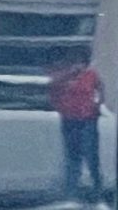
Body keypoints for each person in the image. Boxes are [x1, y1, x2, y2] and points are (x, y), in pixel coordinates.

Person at [49, 52, 105, 206]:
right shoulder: (63, 77)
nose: (78, 66)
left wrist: (96, 106)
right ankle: (72, 194)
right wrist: (61, 107)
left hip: (87, 120)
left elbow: (100, 91)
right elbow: (53, 93)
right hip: (69, 120)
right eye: (75, 62)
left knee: (91, 157)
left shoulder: (91, 76)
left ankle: (97, 194)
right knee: (72, 157)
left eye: (81, 62)